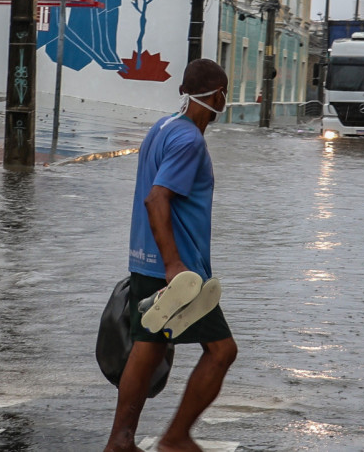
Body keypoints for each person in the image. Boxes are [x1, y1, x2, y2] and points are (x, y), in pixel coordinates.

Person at [104, 59, 237, 452]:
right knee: (221, 350)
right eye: (223, 93)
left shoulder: (162, 127)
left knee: (149, 346)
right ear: (218, 96)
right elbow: (157, 197)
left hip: (146, 260)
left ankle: (121, 440)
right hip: (177, 273)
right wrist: (175, 266)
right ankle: (176, 437)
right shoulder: (189, 141)